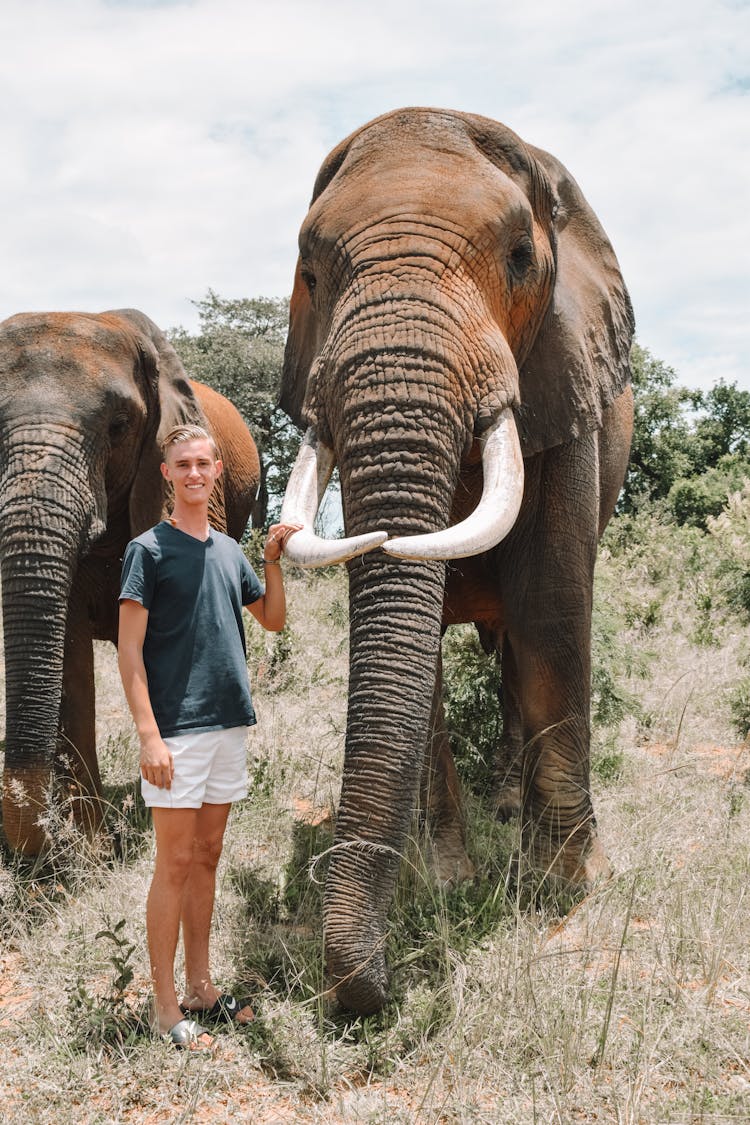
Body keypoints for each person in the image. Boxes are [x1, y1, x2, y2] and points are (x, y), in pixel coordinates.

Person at [117, 423, 300, 1049]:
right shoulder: (148, 550)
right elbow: (129, 652)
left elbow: (271, 621)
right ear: (166, 475)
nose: (194, 474)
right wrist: (148, 736)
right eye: (182, 465)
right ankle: (165, 1009)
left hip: (227, 728)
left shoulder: (228, 551)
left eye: (203, 463)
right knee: (172, 862)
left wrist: (271, 561)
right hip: (177, 733)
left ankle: (202, 988)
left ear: (218, 470)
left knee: (207, 857)